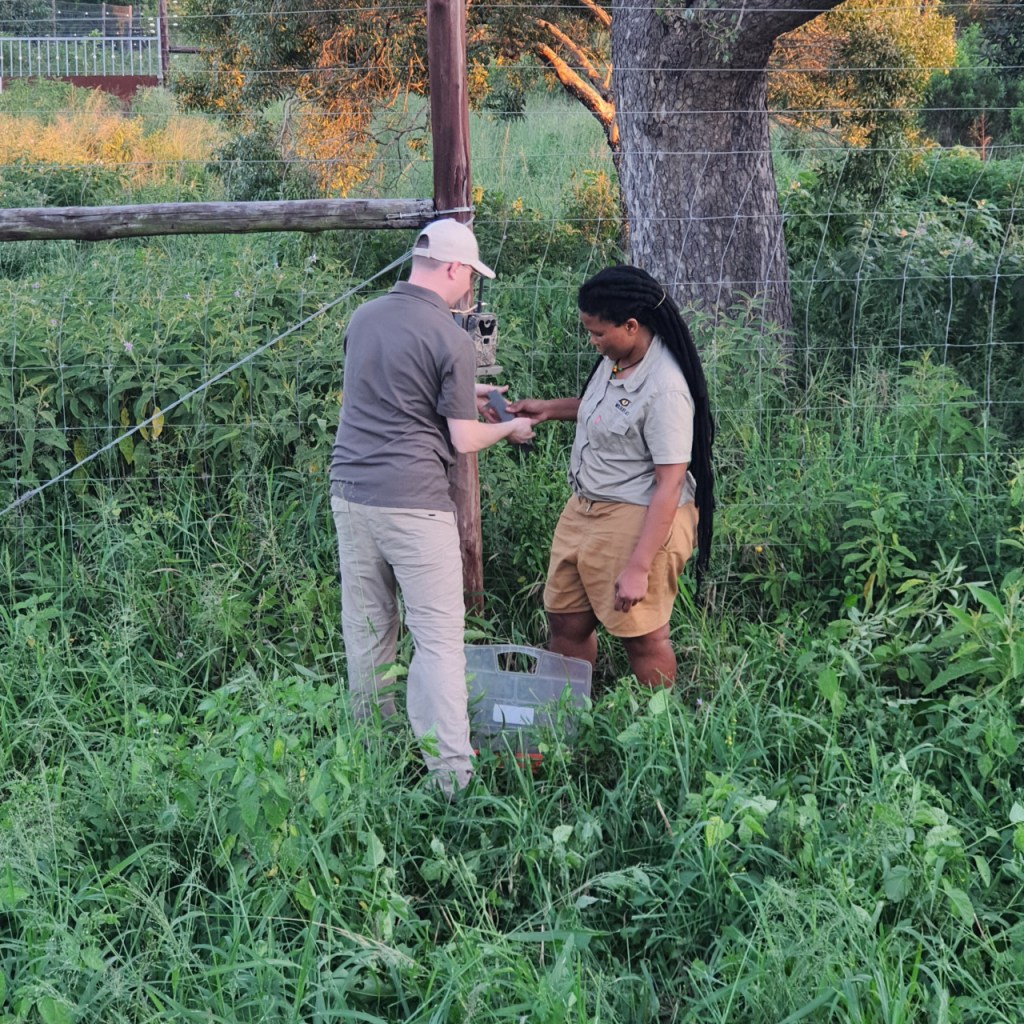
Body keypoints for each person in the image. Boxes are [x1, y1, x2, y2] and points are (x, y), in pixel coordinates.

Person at [329, 219, 535, 795]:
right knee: (439, 639)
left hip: (350, 494)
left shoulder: (364, 317)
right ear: (452, 268)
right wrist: (511, 427)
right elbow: (464, 440)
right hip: (415, 505)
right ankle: (451, 778)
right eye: (469, 274)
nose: (469, 287)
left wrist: (466, 394)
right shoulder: (451, 338)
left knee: (368, 628)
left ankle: (372, 756)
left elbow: (395, 387)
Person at [507, 264, 714, 688]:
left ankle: (658, 729)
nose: (592, 341)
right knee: (565, 622)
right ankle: (562, 717)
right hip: (584, 508)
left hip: (636, 516)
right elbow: (605, 409)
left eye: (599, 333)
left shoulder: (666, 389)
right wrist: (549, 409)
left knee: (642, 635)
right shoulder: (620, 359)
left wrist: (639, 566)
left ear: (632, 326)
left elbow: (670, 484)